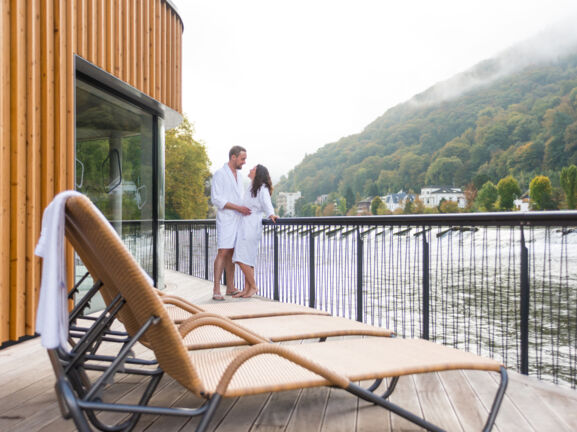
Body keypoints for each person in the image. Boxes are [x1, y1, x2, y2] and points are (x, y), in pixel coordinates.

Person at [210, 146, 251, 301]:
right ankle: (216, 289)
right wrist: (237, 208)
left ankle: (231, 287)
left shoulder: (239, 177)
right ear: (233, 157)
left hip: (238, 219)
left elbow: (241, 197)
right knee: (223, 251)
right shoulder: (220, 174)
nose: (244, 162)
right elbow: (216, 199)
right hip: (226, 218)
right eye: (242, 159)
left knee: (232, 252)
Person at [233, 164, 278, 298]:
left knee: (240, 257)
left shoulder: (262, 188)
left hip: (252, 225)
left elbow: (266, 203)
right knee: (247, 258)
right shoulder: (252, 186)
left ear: (257, 173)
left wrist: (271, 214)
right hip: (245, 224)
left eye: (253, 168)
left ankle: (253, 286)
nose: (250, 169)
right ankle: (247, 289)